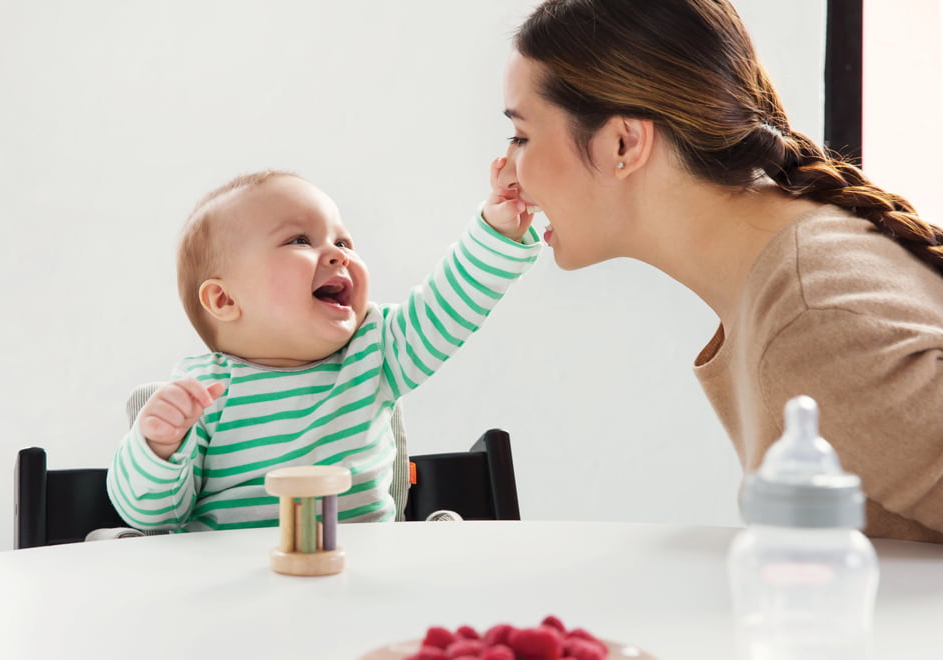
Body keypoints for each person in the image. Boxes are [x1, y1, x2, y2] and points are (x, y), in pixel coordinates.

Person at [491, 0, 943, 542]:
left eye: (521, 137)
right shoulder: (791, 268)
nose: (505, 175)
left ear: (622, 144)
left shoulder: (809, 319)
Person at [108, 169, 540, 532]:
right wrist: (156, 448)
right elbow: (153, 515)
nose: (337, 254)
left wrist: (494, 232)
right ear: (225, 301)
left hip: (361, 580)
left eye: (344, 242)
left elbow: (448, 304)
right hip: (238, 594)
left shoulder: (376, 352)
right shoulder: (201, 394)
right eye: (299, 240)